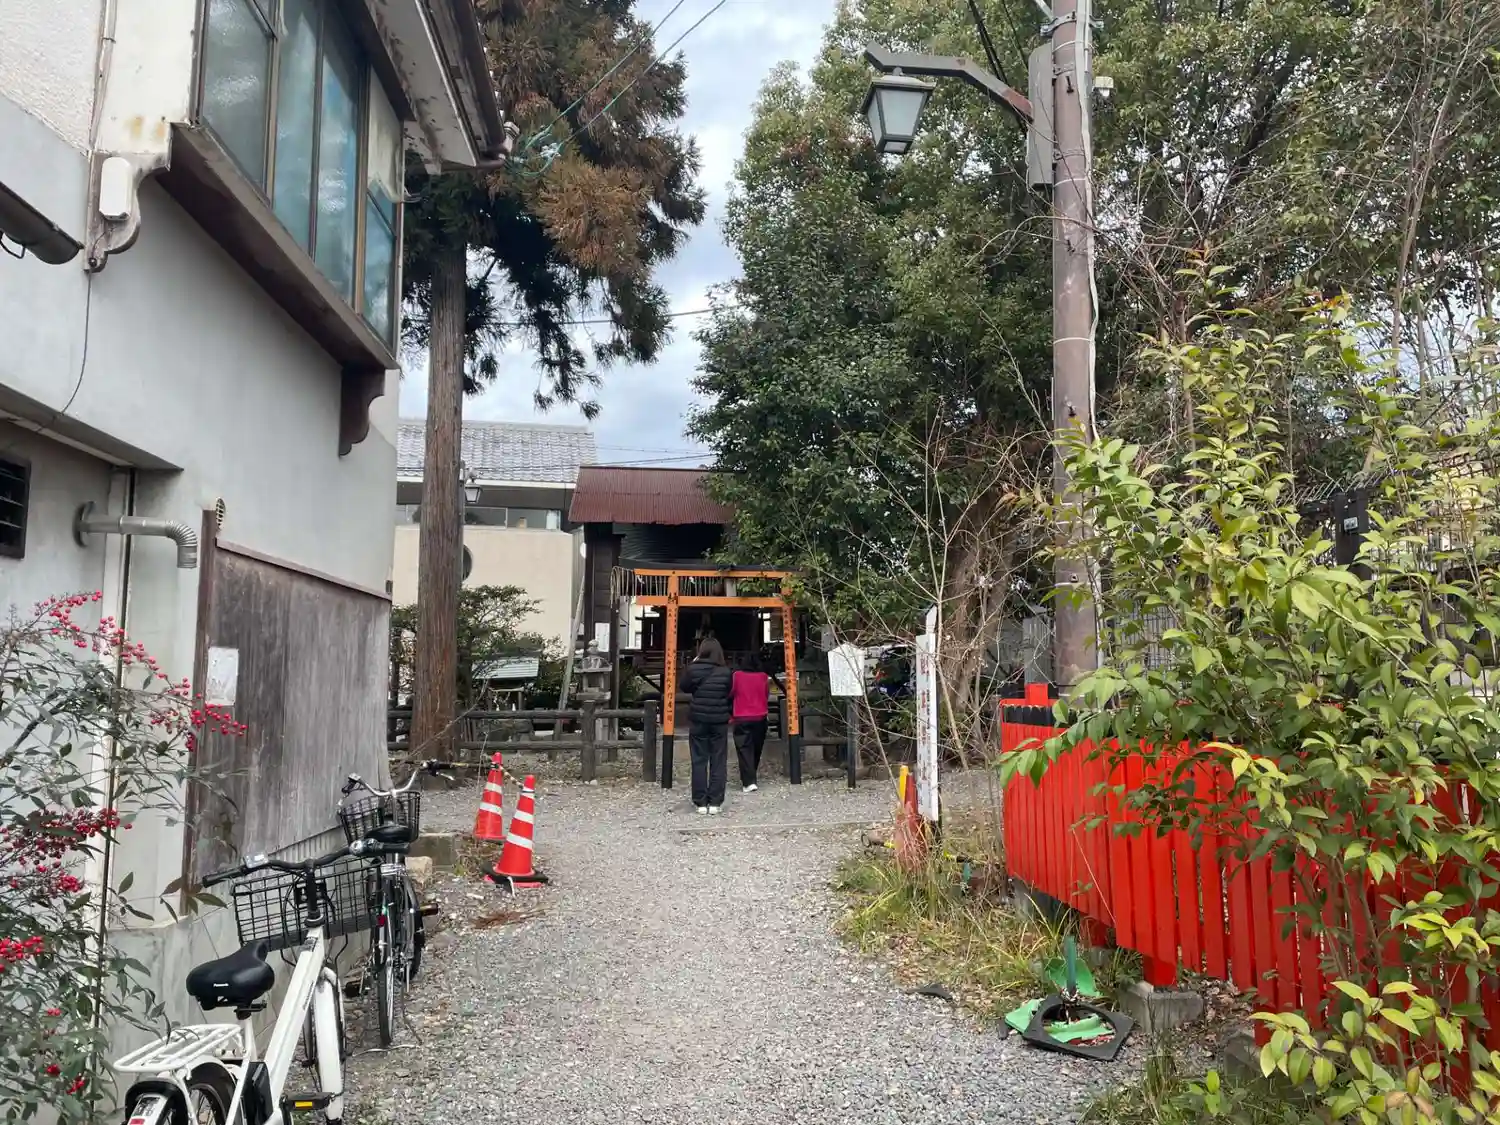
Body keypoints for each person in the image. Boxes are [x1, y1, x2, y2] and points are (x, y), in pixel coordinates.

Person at [682, 638, 733, 814]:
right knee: (719, 760)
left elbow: (684, 687)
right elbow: (728, 691)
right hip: (719, 720)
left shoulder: (693, 669)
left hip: (699, 719)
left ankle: (700, 802)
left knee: (699, 759)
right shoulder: (725, 672)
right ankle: (715, 802)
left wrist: (694, 663)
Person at [731, 651, 771, 792]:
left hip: (741, 716)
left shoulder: (737, 676)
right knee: (756, 748)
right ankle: (751, 775)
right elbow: (766, 694)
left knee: (744, 749)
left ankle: (749, 781)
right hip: (760, 716)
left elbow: (731, 693)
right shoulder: (763, 677)